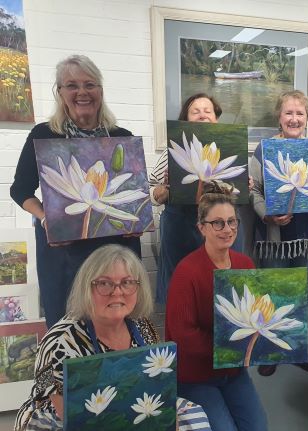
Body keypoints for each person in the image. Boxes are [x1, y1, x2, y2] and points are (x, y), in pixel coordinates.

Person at [9, 54, 141, 328]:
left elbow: (133, 193)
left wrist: (135, 220)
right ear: (60, 92)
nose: (82, 92)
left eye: (90, 84)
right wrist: (46, 219)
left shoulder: (121, 136)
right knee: (70, 328)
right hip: (63, 253)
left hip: (114, 249)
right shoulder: (43, 135)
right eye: (71, 85)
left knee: (117, 327)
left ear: (100, 91)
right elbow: (20, 190)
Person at [14, 245, 158, 430]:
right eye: (104, 283)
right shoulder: (59, 341)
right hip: (59, 421)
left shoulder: (142, 326)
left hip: (125, 410)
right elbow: (68, 414)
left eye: (127, 282)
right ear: (86, 288)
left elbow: (154, 383)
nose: (117, 292)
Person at [165, 182, 267, 431]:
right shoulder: (187, 271)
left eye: (232, 222)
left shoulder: (245, 265)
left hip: (233, 371)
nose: (227, 229)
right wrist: (229, 350)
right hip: (196, 375)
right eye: (218, 223)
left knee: (259, 427)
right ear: (202, 227)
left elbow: (255, 316)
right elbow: (182, 335)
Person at [249, 89, 308, 375]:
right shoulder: (263, 149)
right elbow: (251, 189)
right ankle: (270, 353)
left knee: (301, 294)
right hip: (273, 238)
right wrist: (266, 212)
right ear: (279, 118)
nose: (294, 118)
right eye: (288, 113)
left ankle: (297, 350)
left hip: (307, 238)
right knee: (273, 293)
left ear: (307, 118)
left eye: (299, 113)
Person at [149, 93, 245, 303]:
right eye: (196, 111)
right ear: (186, 120)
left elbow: (241, 189)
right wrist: (164, 190)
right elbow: (151, 191)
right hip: (182, 229)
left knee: (225, 292)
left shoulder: (232, 149)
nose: (202, 115)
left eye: (207, 111)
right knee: (181, 292)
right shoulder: (172, 151)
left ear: (216, 119)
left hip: (222, 228)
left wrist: (246, 186)